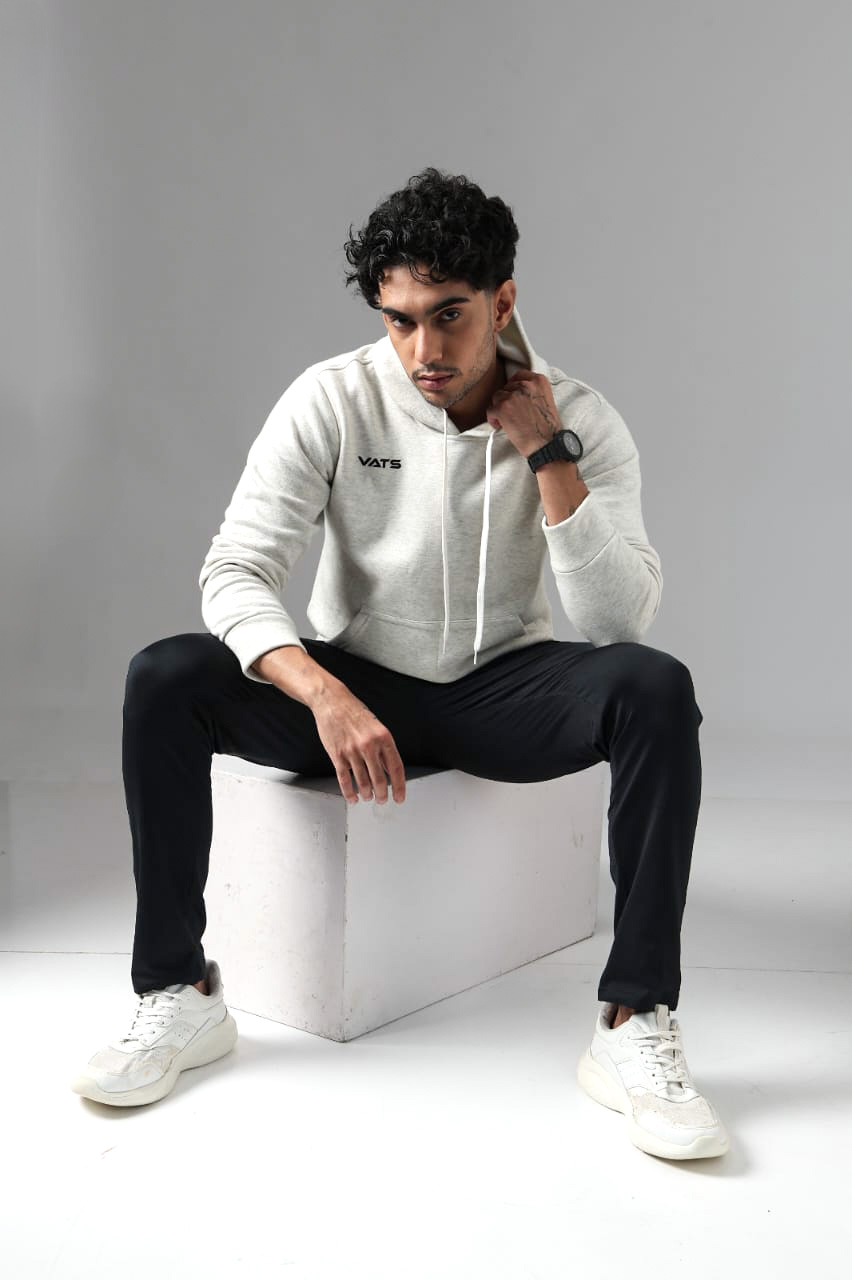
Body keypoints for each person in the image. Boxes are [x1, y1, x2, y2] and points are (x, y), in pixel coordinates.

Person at [71, 166, 729, 1160]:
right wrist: (321, 691)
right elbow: (236, 568)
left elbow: (617, 619)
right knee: (164, 674)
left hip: (504, 689)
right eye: (399, 320)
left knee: (655, 688)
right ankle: (178, 990)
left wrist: (547, 451)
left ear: (502, 302)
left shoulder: (581, 417)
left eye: (449, 315)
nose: (424, 350)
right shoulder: (333, 398)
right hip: (356, 682)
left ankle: (635, 1017)